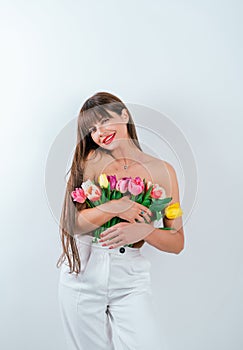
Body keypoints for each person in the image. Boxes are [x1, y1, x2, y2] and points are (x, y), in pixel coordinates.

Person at [56, 91, 184, 350]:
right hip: (82, 275)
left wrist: (144, 231)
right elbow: (72, 223)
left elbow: (177, 242)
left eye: (104, 121)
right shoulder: (88, 162)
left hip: (130, 280)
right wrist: (116, 206)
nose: (99, 133)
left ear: (124, 114)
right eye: (92, 129)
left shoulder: (163, 171)